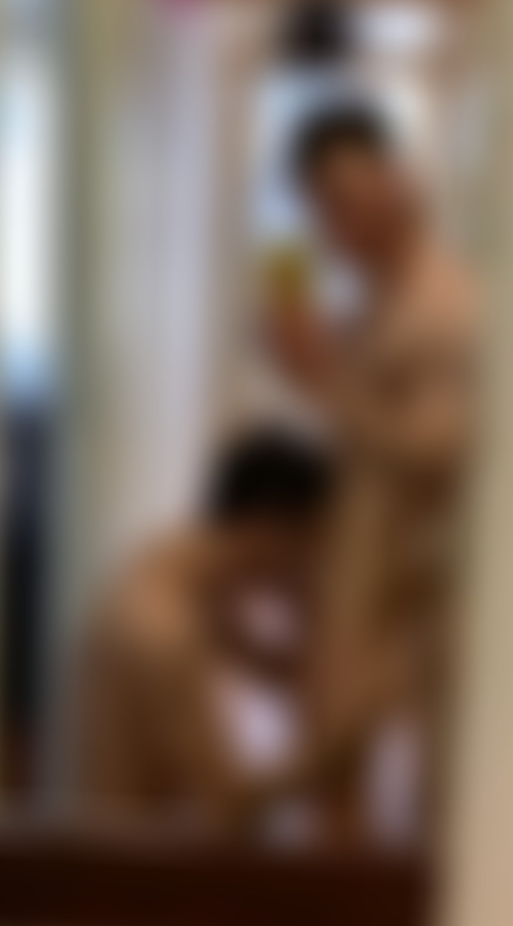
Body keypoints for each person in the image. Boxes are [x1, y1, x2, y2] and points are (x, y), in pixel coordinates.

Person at [263, 102, 480, 836]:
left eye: (344, 203)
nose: (332, 229)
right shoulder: (378, 299)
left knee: (433, 793)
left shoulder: (445, 304)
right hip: (373, 573)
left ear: (399, 185)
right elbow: (368, 440)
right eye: (320, 210)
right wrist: (323, 363)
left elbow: (440, 452)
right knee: (338, 768)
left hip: (426, 579)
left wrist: (324, 380)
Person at [75, 429, 338, 840]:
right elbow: (228, 803)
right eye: (314, 546)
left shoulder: (162, 567)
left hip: (117, 847)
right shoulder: (165, 627)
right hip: (125, 864)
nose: (313, 570)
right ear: (272, 530)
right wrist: (340, 747)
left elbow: (261, 655)